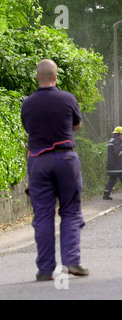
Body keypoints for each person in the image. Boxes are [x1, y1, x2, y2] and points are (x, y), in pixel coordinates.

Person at [21, 59, 89, 281]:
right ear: (56, 77)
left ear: (37, 78)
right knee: (69, 210)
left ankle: (45, 269)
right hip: (65, 159)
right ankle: (71, 261)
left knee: (43, 215)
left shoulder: (27, 104)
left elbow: (28, 128)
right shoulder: (67, 99)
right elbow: (76, 125)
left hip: (38, 161)